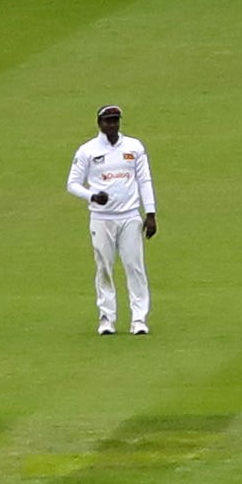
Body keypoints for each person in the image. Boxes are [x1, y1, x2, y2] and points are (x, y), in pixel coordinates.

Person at [67, 101, 157, 337]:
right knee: (104, 267)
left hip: (130, 216)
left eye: (115, 121)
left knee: (134, 267)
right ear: (99, 123)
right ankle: (107, 318)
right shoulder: (87, 150)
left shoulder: (134, 147)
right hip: (101, 218)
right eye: (107, 121)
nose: (112, 125)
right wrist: (92, 195)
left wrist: (150, 213)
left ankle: (139, 319)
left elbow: (144, 180)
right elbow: (72, 184)